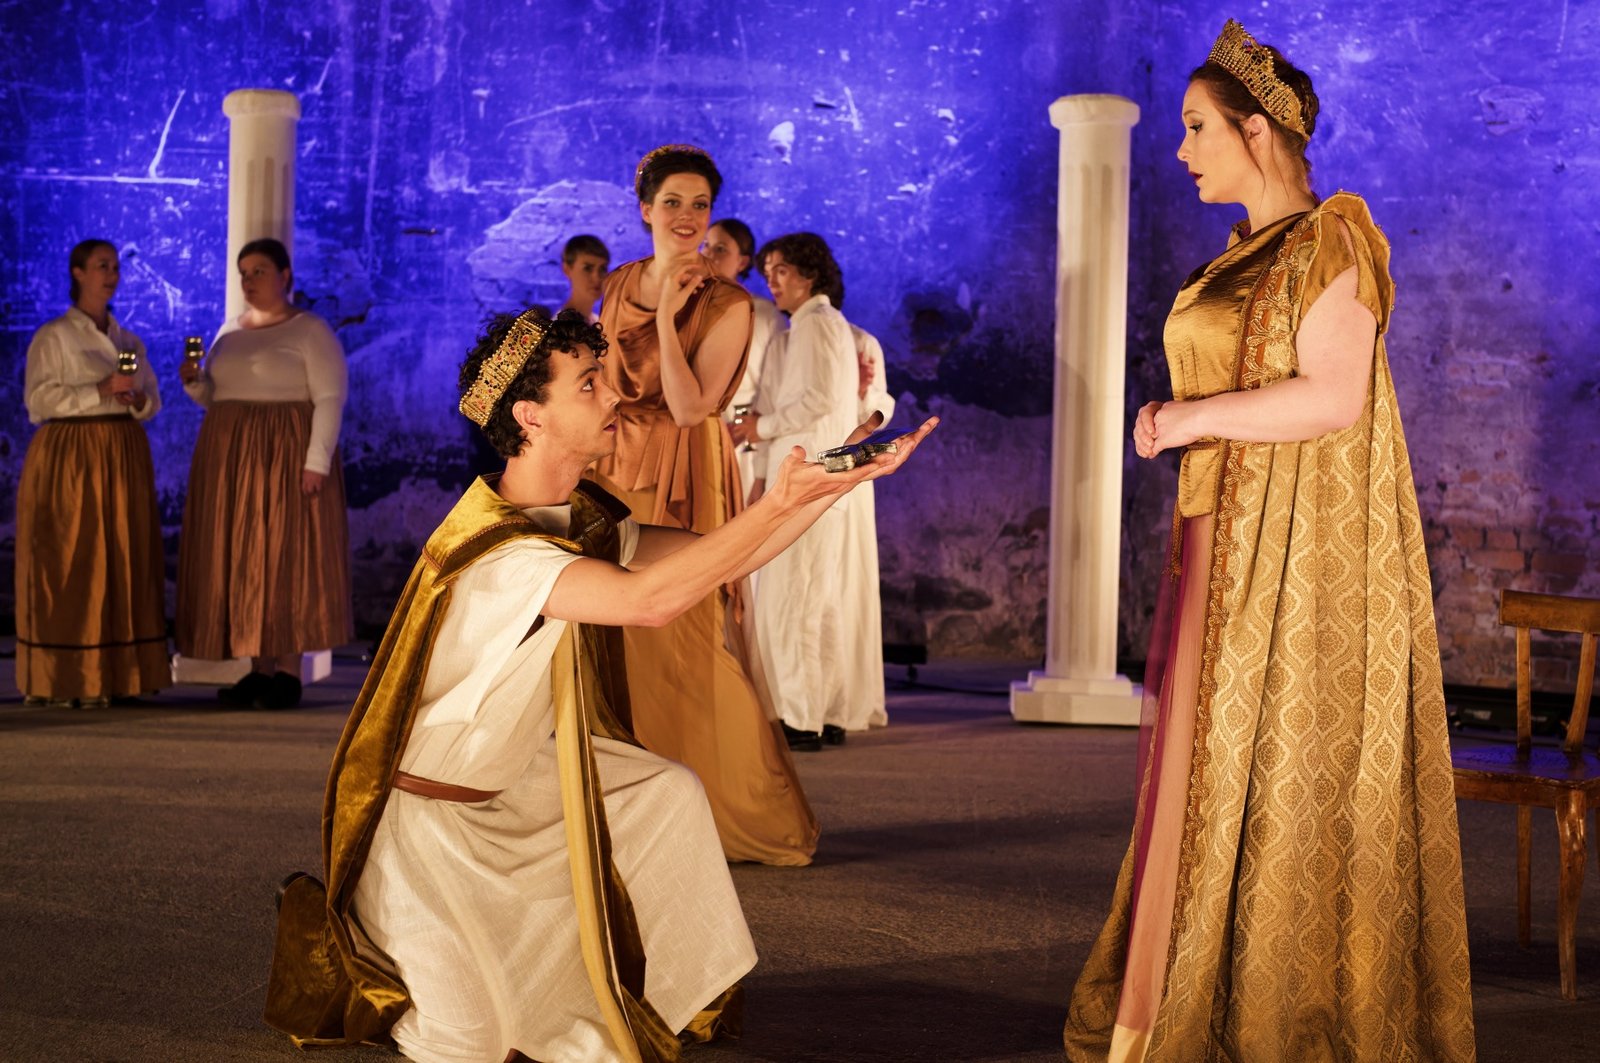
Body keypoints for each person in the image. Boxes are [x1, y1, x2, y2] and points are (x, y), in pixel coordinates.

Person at [263, 306, 939, 1063]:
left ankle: (657, 981)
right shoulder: (498, 552)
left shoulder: (575, 519)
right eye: (588, 384)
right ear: (531, 416)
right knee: (467, 1043)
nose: (615, 394)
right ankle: (372, 941)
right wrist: (780, 500)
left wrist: (830, 486)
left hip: (516, 783)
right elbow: (649, 602)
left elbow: (722, 556)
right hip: (431, 833)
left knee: (663, 793)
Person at [1063, 21, 1475, 1062]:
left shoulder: (1331, 239)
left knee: (1267, 756)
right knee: (1205, 759)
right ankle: (1178, 997)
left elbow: (1333, 397)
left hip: (1295, 550)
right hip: (1228, 533)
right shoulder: (1243, 253)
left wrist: (1187, 418)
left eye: (1196, 127)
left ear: (1257, 131)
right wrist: (1176, 418)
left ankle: (1267, 1009)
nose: (1181, 149)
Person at [589, 145, 819, 865]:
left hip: (684, 466)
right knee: (614, 633)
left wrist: (667, 318)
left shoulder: (728, 303)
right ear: (645, 210)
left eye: (700, 205)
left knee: (689, 634)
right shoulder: (619, 281)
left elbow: (691, 409)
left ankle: (735, 813)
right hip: (613, 463)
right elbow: (605, 379)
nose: (687, 217)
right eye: (672, 203)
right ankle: (633, 813)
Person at [177, 237, 353, 710]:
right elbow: (217, 397)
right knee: (245, 556)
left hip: (284, 454)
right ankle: (258, 668)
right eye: (244, 273)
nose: (249, 280)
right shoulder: (229, 332)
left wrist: (316, 460)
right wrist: (194, 384)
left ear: (284, 276)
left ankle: (288, 672)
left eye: (259, 271)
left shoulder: (309, 330)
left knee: (285, 555)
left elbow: (330, 398)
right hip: (233, 459)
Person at [16, 239, 167, 708]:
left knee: (121, 555)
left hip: (121, 452)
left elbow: (152, 399)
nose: (112, 275)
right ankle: (65, 674)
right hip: (71, 452)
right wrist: (98, 390)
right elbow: (38, 401)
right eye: (102, 266)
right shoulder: (55, 336)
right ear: (78, 273)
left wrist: (136, 399)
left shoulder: (128, 340)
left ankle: (118, 673)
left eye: (116, 267)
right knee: (71, 556)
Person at [729, 233, 858, 752]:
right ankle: (825, 711)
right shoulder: (813, 326)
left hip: (809, 475)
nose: (772, 282)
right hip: (817, 476)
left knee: (795, 598)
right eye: (768, 273)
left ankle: (802, 717)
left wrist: (759, 427)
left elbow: (817, 400)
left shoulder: (816, 324)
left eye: (780, 270)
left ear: (809, 274)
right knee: (816, 598)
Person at [822, 321, 895, 737]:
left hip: (850, 466)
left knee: (849, 580)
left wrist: (863, 393)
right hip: (812, 462)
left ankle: (848, 700)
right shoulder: (788, 336)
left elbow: (880, 410)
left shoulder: (863, 342)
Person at [704, 218, 785, 492]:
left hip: (750, 438)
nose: (709, 255)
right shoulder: (688, 312)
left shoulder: (765, 315)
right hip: (701, 434)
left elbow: (777, 383)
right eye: (706, 246)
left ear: (742, 261)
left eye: (720, 249)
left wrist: (744, 427)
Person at [559, 234, 609, 322]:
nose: (597, 277)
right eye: (587, 268)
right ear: (567, 269)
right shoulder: (558, 327)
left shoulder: (599, 323)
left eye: (602, 269)